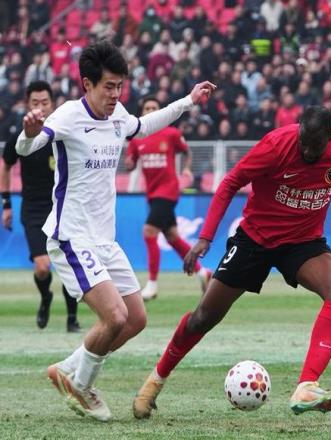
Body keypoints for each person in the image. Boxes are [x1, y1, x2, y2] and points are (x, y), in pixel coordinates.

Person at [132, 105, 331, 419]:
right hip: (256, 239)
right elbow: (231, 182)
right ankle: (154, 383)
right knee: (203, 317)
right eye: (303, 142)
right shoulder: (275, 145)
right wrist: (206, 238)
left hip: (302, 242)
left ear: (330, 137)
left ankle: (307, 385)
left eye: (314, 146)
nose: (307, 151)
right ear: (298, 129)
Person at [15, 40, 215, 422]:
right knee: (116, 317)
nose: (115, 94)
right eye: (109, 86)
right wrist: (27, 133)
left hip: (103, 239)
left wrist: (188, 101)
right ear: (87, 83)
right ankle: (82, 385)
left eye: (120, 86)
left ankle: (69, 368)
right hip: (71, 237)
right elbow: (29, 147)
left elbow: (145, 124)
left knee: (136, 318)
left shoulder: (118, 114)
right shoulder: (68, 115)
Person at [1, 80, 80, 332]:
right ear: (28, 105)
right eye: (35, 102)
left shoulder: (63, 132)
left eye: (45, 102)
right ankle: (46, 297)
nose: (40, 107)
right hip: (33, 209)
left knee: (69, 265)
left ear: (52, 103)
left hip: (63, 207)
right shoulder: (21, 136)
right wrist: (6, 203)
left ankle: (72, 319)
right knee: (43, 267)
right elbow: (6, 165)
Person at [125, 96, 212, 300]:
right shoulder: (136, 138)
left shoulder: (171, 134)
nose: (151, 111)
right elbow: (130, 164)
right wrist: (129, 164)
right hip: (152, 194)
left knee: (149, 231)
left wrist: (187, 169)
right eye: (147, 108)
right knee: (172, 237)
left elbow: (187, 152)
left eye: (154, 108)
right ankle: (203, 272)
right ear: (142, 112)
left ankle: (152, 284)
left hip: (168, 191)